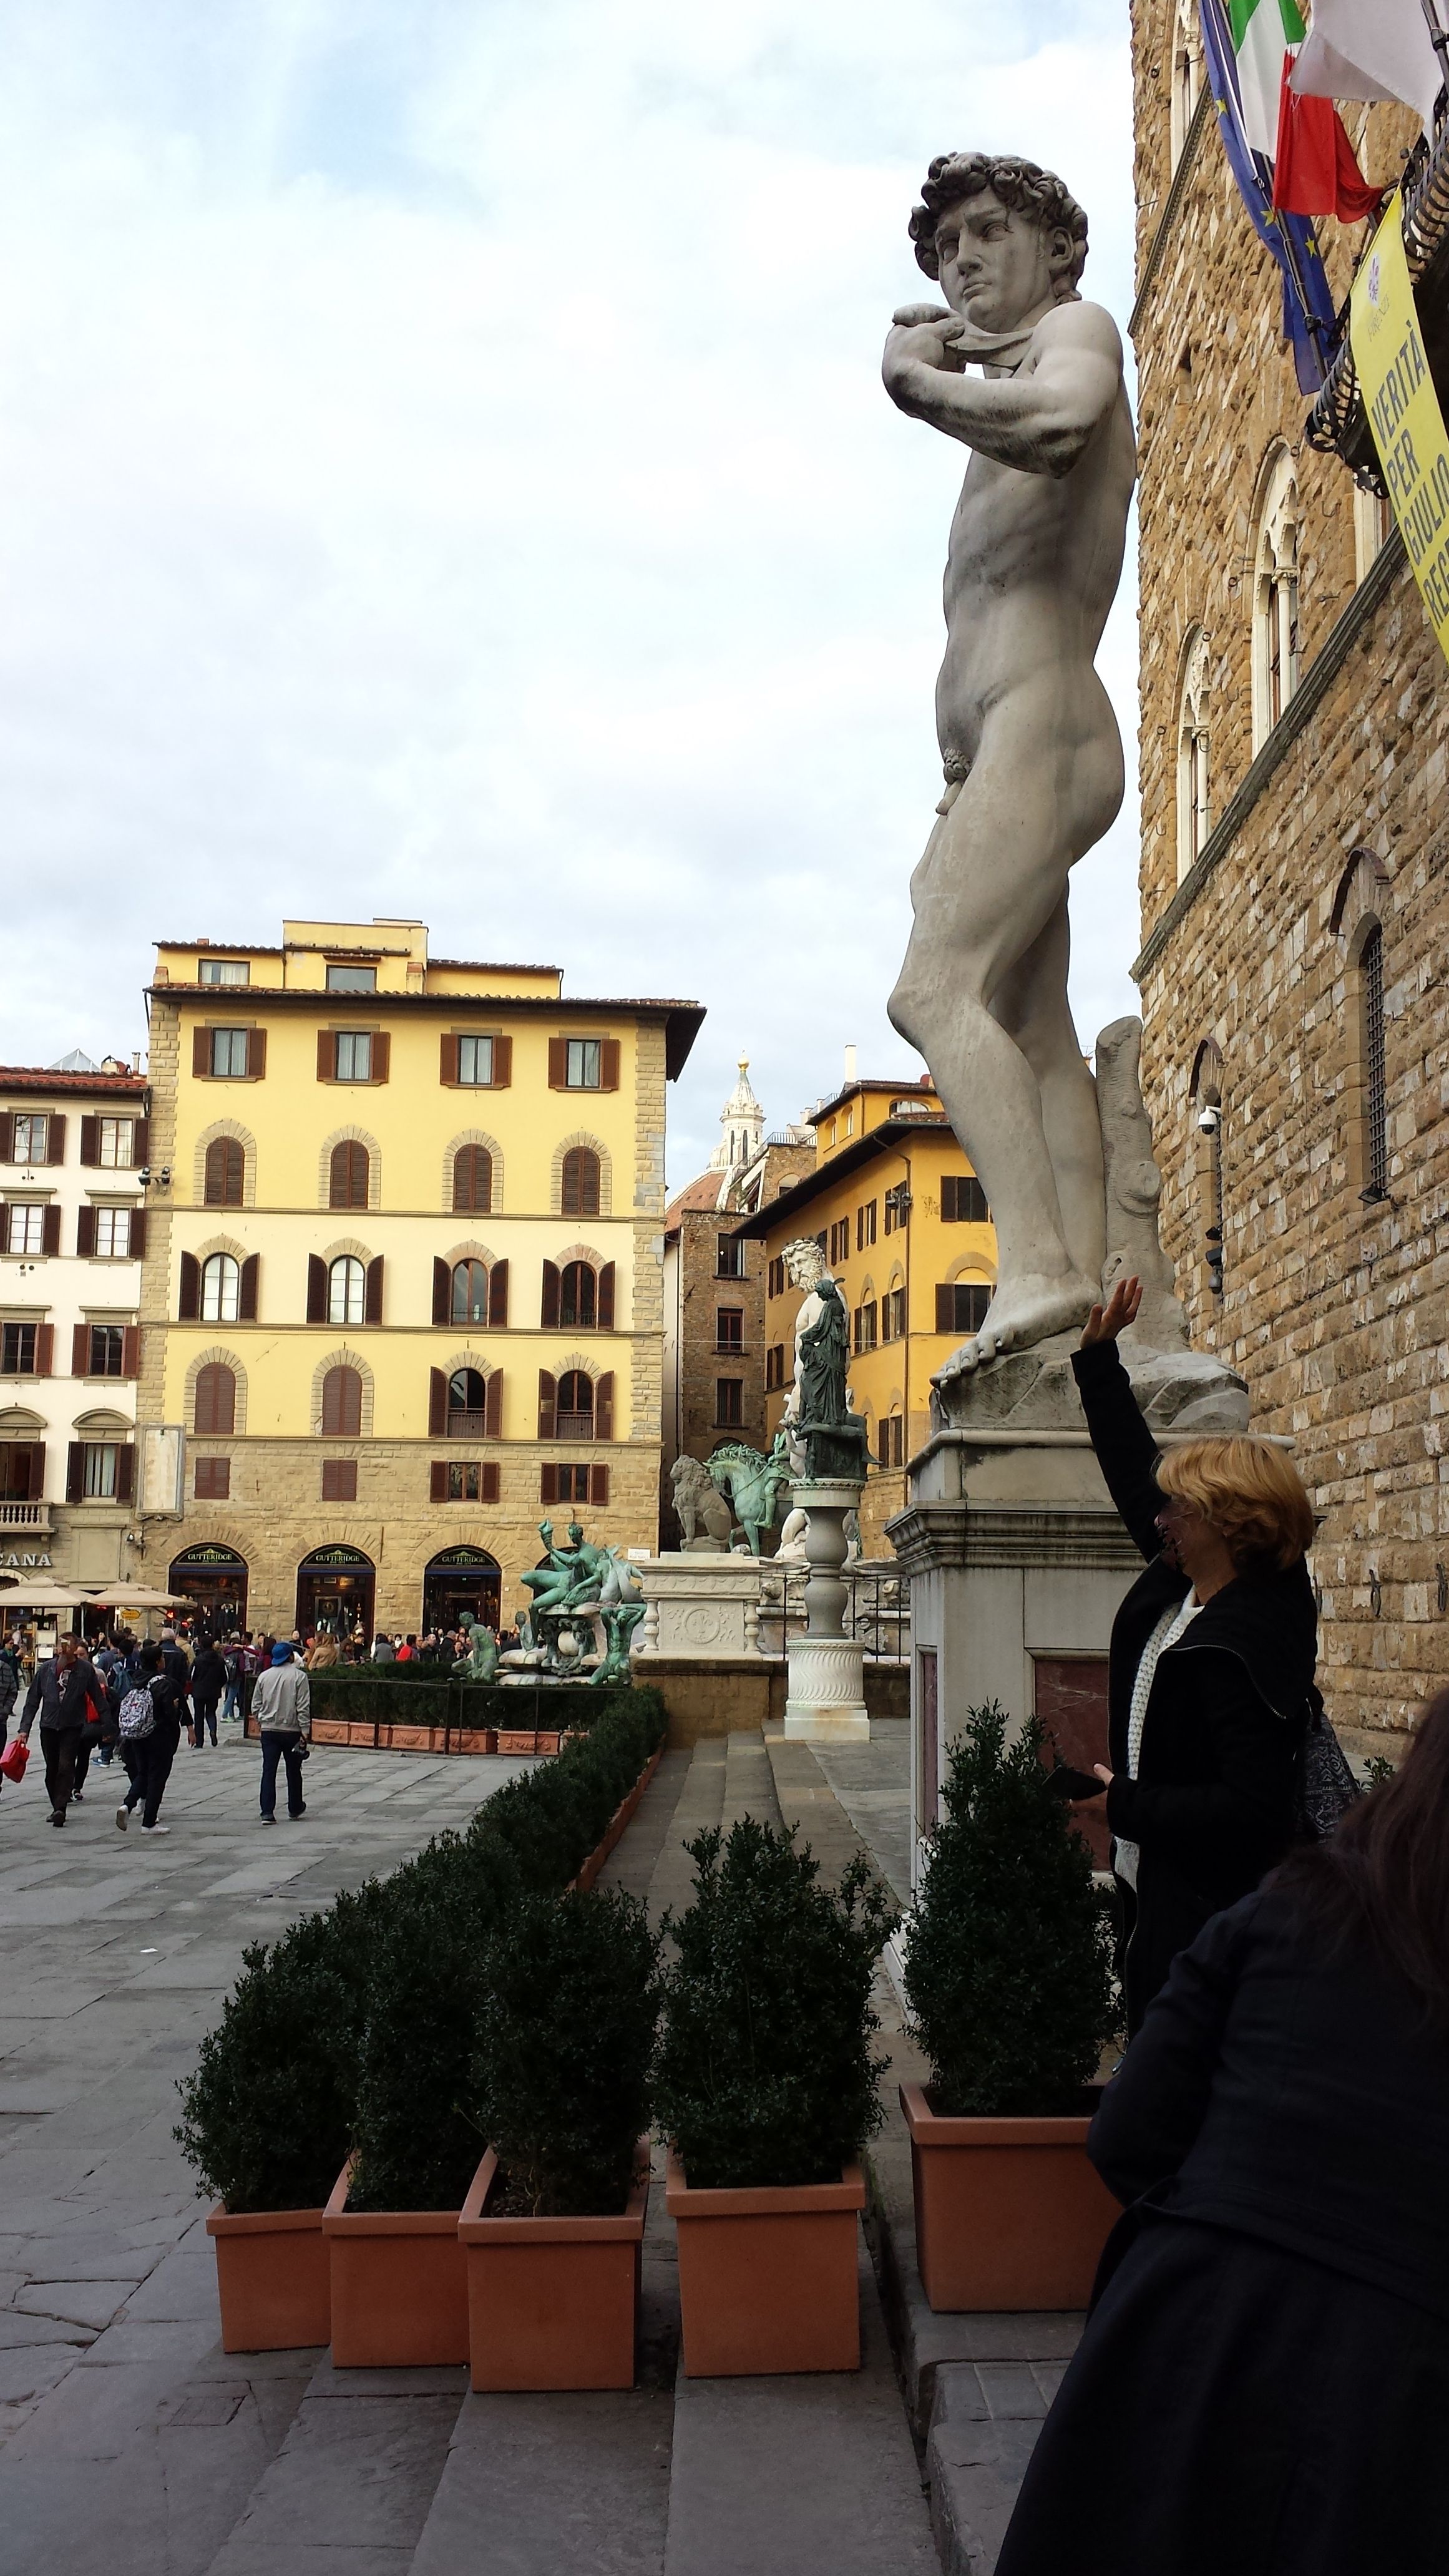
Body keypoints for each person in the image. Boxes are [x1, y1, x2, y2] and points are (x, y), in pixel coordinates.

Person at [995, 1691, 1449, 2576]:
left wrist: (1221, 2223)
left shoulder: (1288, 1910)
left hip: (1187, 2339)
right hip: (1399, 2414)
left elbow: (1126, 2131)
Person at [882, 152, 1136, 1372]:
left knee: (932, 990)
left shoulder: (1077, 335)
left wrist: (916, 384)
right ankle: (1081, 1296)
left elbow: (1063, 423)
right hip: (995, 748)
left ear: (1055, 251)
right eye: (945, 252)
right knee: (1031, 1029)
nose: (963, 261)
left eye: (987, 233)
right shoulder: (1006, 377)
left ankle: (1032, 1267)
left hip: (1045, 719)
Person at [1069, 1274, 1318, 2031]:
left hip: (1213, 1911)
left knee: (1180, 2086)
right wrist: (1098, 1361)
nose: (1162, 1518)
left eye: (1180, 1507)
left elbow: (1254, 1808)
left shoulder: (1253, 1629)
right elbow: (1130, 1473)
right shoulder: (1185, 1586)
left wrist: (1127, 1806)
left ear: (1228, 1520)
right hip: (1158, 1888)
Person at [19, 1634, 106, 1826]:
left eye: (68, 1645)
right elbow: (33, 1700)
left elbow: (98, 1698)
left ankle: (60, 1808)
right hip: (49, 1725)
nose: (63, 1648)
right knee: (52, 1768)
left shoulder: (84, 1670)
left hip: (72, 1726)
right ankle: (56, 1804)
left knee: (66, 1766)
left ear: (75, 1647)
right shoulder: (46, 1670)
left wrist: (108, 1725)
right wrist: (24, 1728)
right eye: (61, 1645)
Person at [115, 1641, 185, 1835]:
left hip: (137, 1734)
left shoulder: (136, 1680)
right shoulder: (163, 1684)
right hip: (158, 1736)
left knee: (143, 1773)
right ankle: (149, 1822)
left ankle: (127, 1805)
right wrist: (175, 1706)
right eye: (162, 1658)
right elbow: (168, 1714)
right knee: (157, 1778)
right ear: (157, 1662)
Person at [252, 1641, 310, 1824]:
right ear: (291, 1657)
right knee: (294, 1771)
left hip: (269, 1730)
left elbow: (255, 1705)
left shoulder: (264, 1676)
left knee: (269, 1770)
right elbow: (303, 1706)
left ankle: (267, 1812)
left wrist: (262, 1719)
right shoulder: (299, 1677)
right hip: (291, 1730)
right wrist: (305, 1730)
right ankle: (295, 1807)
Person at [188, 1638, 226, 1747]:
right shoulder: (219, 1660)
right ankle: (213, 1730)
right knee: (211, 1713)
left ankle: (200, 1742)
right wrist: (218, 1685)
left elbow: (191, 1676)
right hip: (214, 1691)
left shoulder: (198, 1660)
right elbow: (225, 1676)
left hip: (199, 1691)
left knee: (199, 1716)